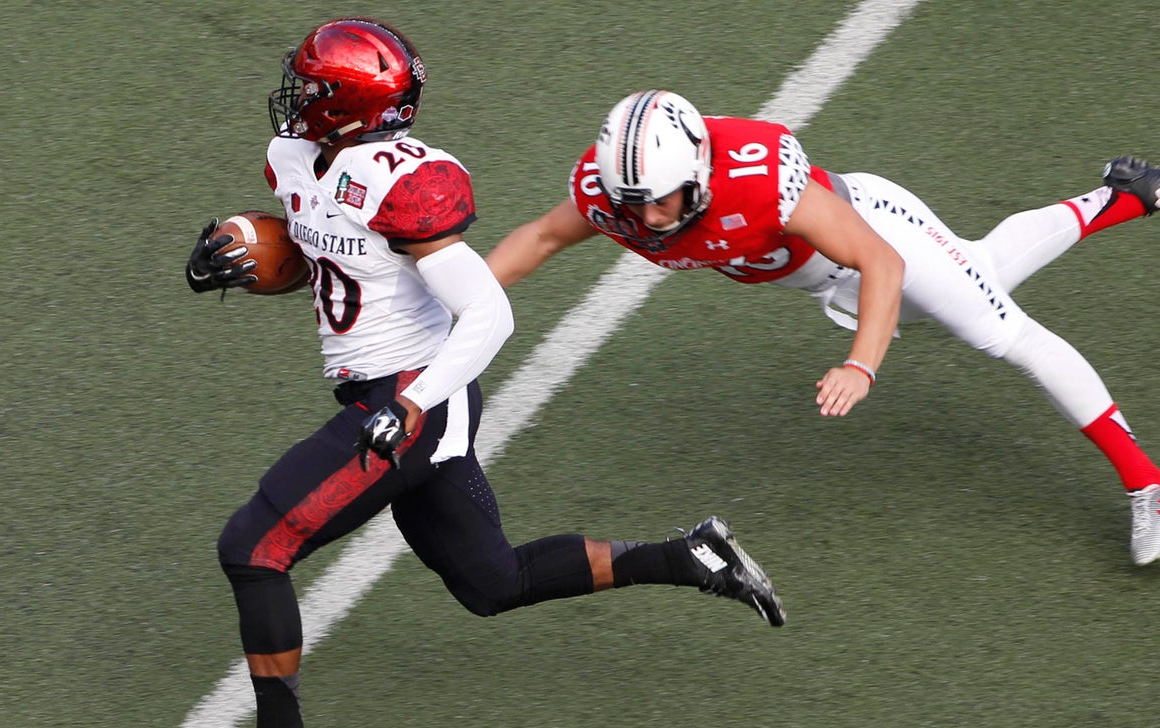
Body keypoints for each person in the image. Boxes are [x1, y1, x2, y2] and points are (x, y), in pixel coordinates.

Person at [185, 24, 784, 728]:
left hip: (414, 391)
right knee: (491, 582)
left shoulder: (399, 180)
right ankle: (689, 557)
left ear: (350, 104)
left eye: (314, 86)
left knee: (255, 547)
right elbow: (332, 263)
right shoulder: (293, 157)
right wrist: (239, 263)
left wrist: (409, 404)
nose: (299, 96)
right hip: (390, 393)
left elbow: (489, 313)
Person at [485, 89, 1160, 566]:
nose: (650, 219)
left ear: (696, 168)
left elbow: (881, 261)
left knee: (1001, 333)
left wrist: (860, 364)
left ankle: (1146, 482)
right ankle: (1128, 195)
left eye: (660, 199)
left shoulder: (756, 175)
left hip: (880, 234)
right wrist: (471, 302)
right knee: (987, 268)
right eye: (633, 203)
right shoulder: (619, 198)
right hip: (830, 280)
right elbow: (544, 237)